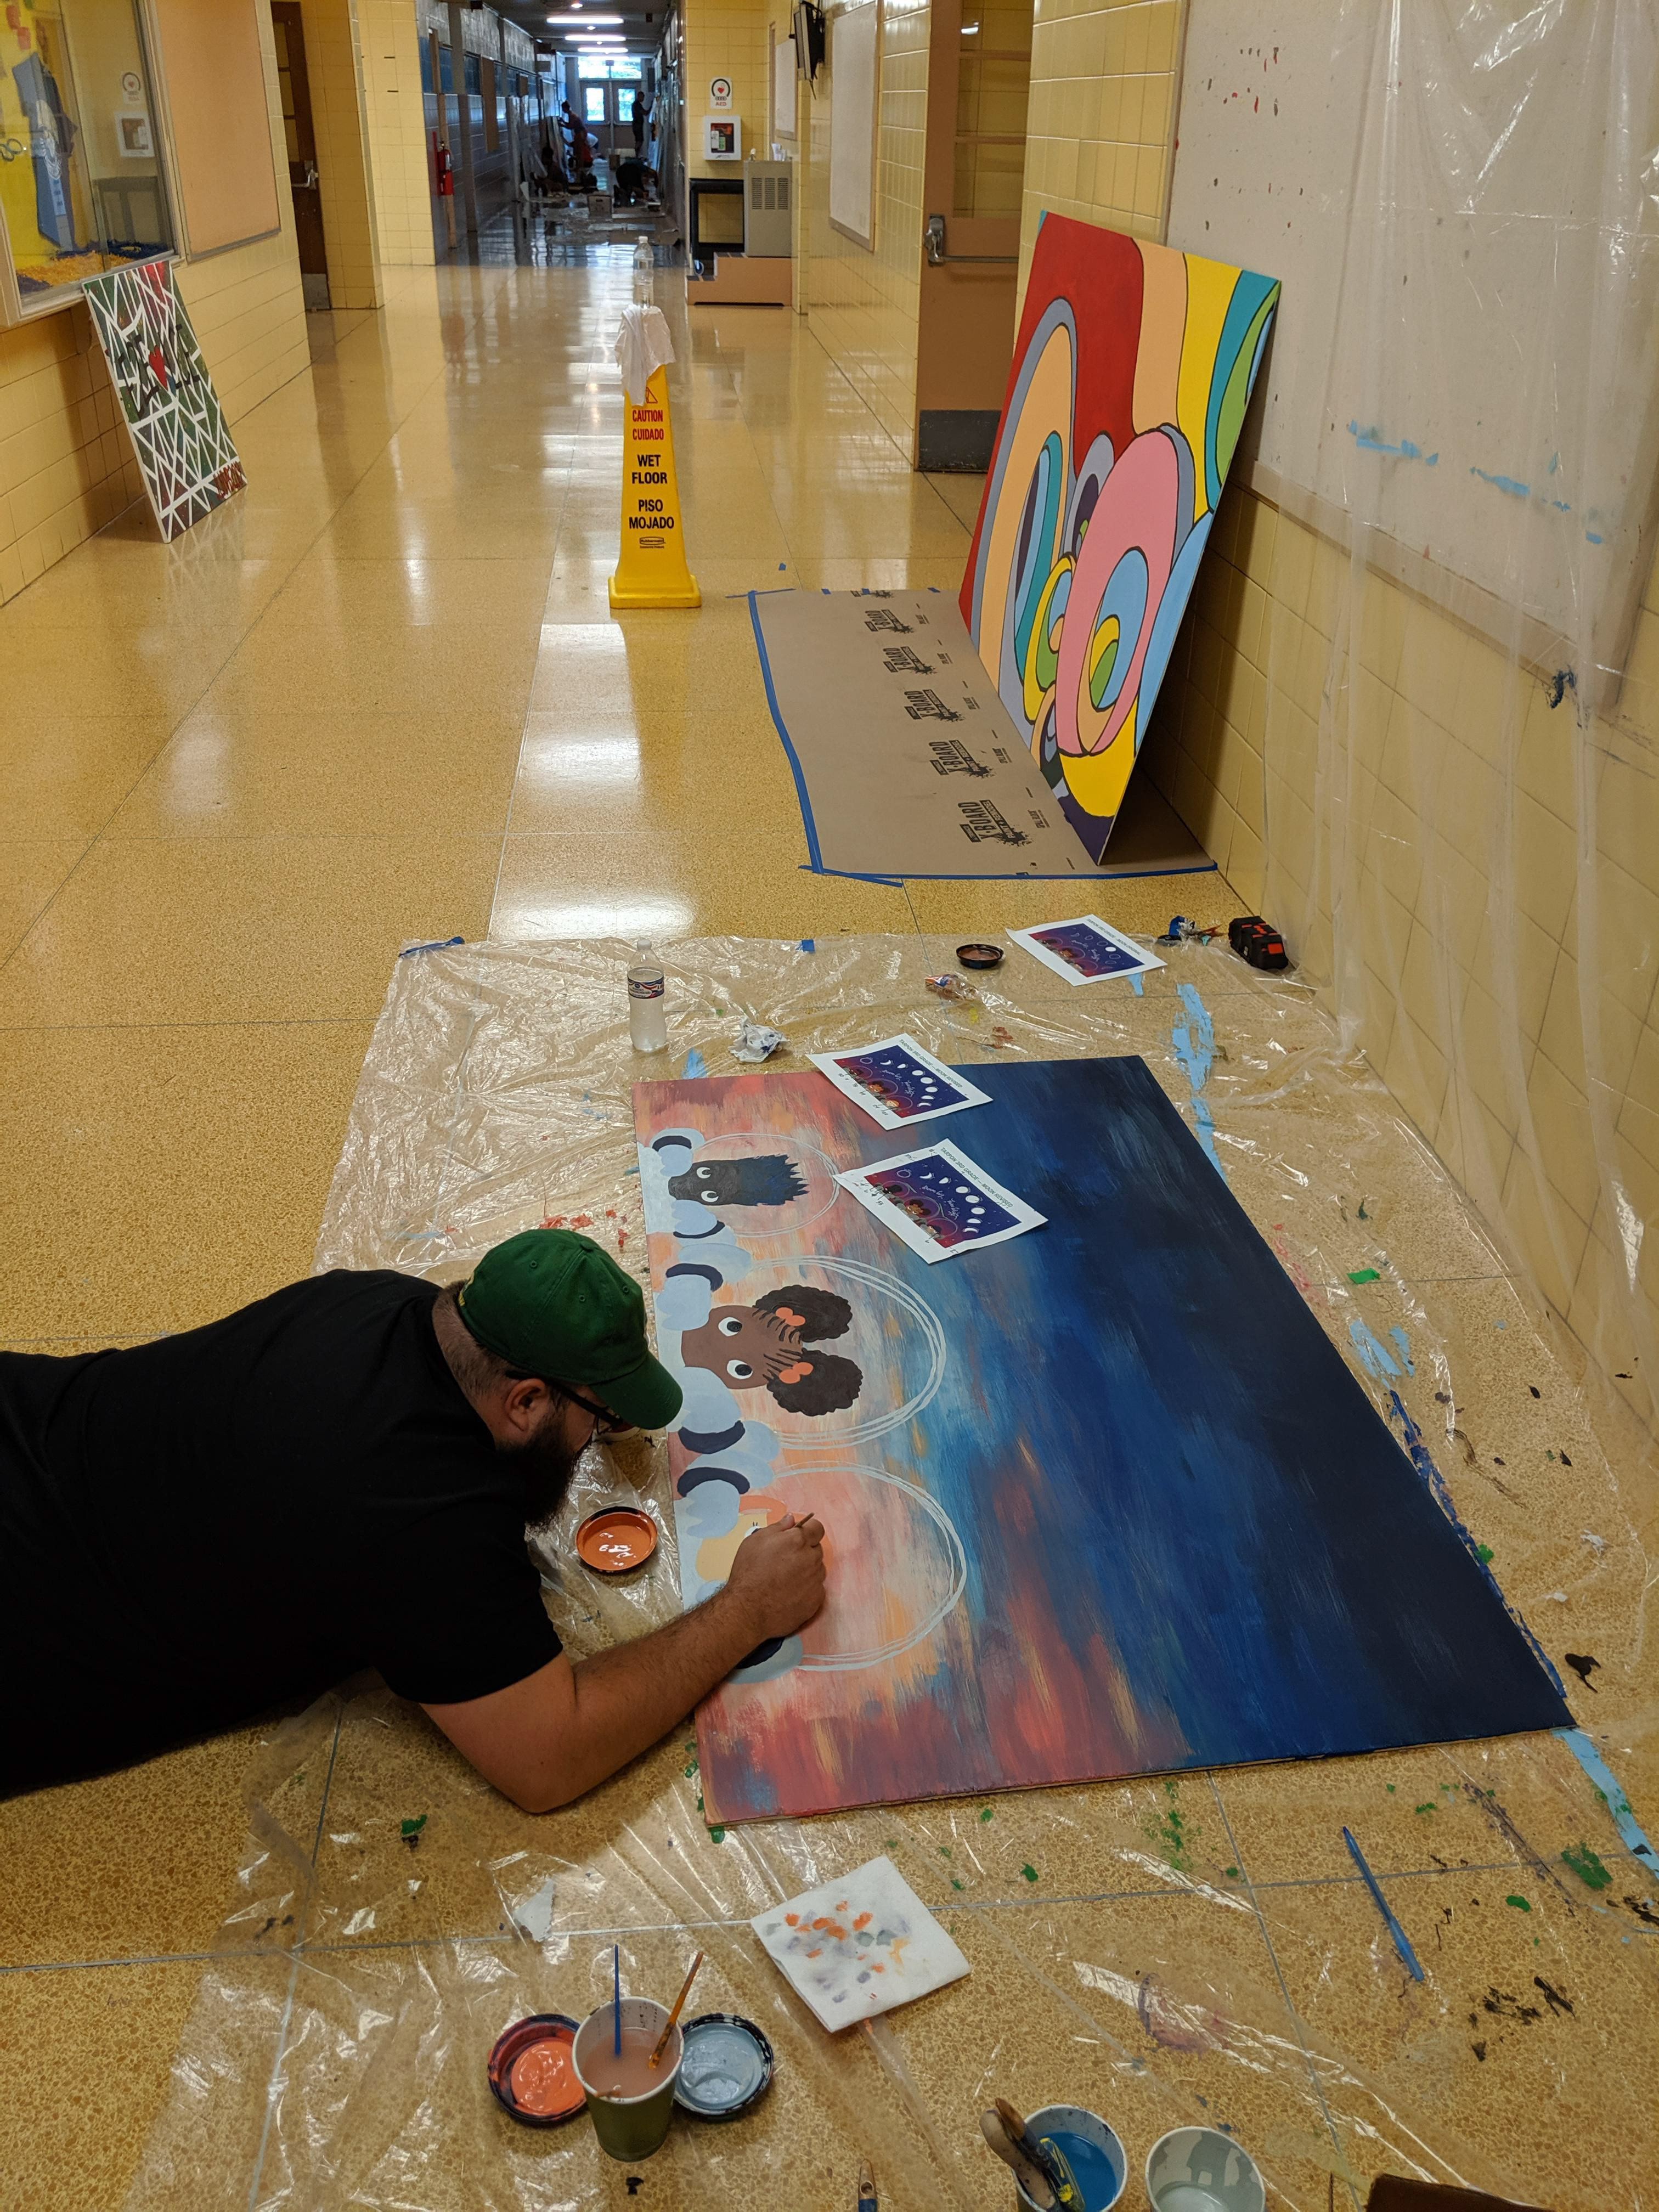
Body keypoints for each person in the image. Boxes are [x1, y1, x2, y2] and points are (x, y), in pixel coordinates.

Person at [0, 1230, 826, 1812]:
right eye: (598, 1421)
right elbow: (549, 1759)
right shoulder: (415, 1517)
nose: (601, 1441)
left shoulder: (377, 1302)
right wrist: (746, 1609)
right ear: (526, 1400)